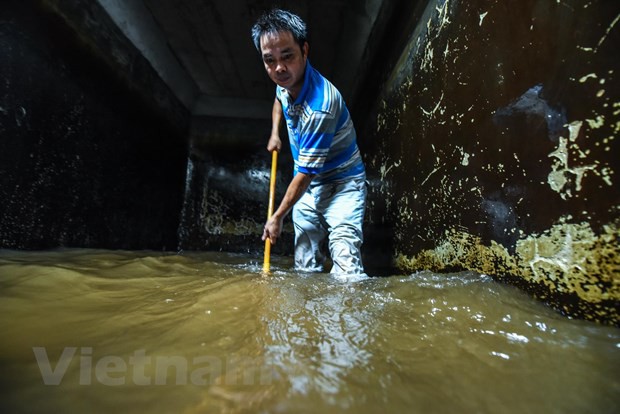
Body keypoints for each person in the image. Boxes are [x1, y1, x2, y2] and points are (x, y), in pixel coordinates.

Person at [251, 9, 367, 275]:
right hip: (310, 184)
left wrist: (277, 218)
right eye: (270, 60)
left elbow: (305, 174)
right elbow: (278, 98)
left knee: (347, 266)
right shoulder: (284, 82)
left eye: (287, 56)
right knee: (305, 268)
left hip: (342, 184)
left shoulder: (321, 106)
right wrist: (275, 133)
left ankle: (349, 315)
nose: (279, 68)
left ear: (304, 50)